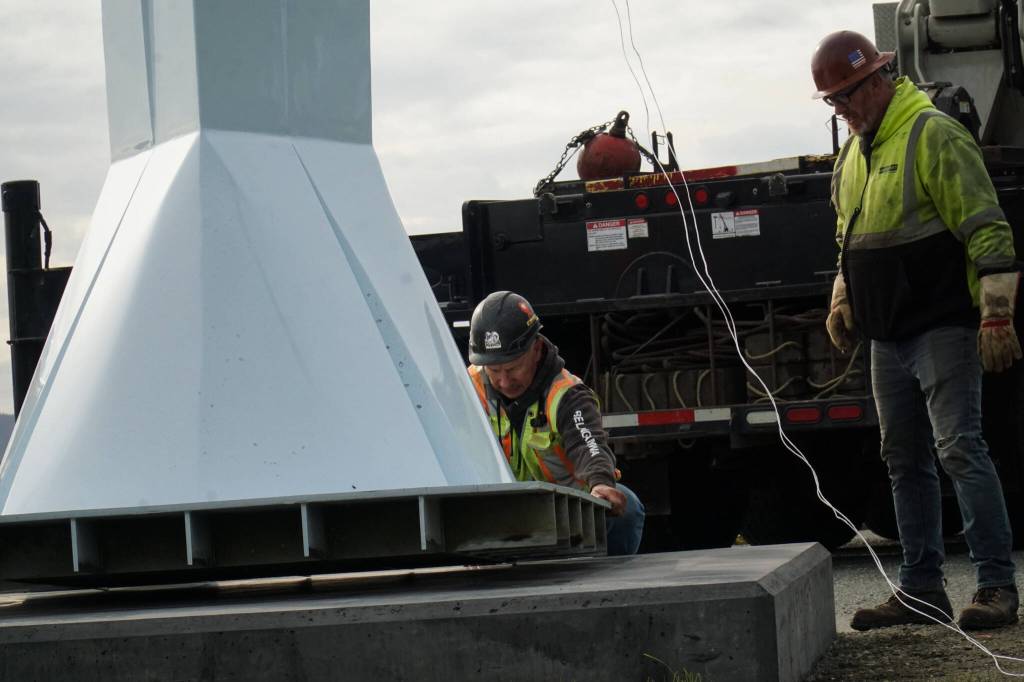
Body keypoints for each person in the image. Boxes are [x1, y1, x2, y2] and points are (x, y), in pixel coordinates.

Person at [812, 30, 1021, 630]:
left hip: (941, 326)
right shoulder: (852, 156)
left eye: (847, 96)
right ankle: (922, 590)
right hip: (888, 336)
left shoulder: (933, 134)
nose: (842, 110)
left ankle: (997, 586)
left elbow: (987, 228)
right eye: (833, 102)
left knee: (959, 448)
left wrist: (997, 310)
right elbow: (847, 236)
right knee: (903, 458)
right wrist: (844, 294)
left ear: (878, 80)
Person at [466, 290, 645, 555]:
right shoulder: (467, 389)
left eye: (513, 368)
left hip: (561, 514)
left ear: (536, 350)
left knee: (627, 507)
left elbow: (590, 445)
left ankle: (606, 585)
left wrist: (600, 483)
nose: (503, 381)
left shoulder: (567, 395)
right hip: (497, 512)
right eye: (494, 370)